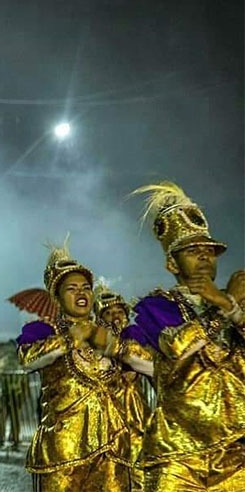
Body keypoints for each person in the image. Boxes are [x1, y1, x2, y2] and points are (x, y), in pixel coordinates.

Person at [131, 182, 245, 491]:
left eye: (210, 251)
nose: (205, 257)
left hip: (236, 452)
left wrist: (235, 312)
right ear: (172, 263)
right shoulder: (155, 306)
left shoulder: (236, 303)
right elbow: (177, 348)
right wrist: (223, 307)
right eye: (193, 251)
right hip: (177, 454)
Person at [16, 243, 131, 491]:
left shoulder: (108, 334)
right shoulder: (44, 332)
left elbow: (151, 365)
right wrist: (71, 338)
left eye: (86, 288)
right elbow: (27, 361)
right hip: (63, 453)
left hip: (112, 449)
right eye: (72, 288)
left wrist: (112, 344)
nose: (81, 293)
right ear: (56, 298)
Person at [94, 284, 151, 491]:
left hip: (133, 411)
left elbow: (150, 365)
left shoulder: (134, 338)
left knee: (139, 463)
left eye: (119, 311)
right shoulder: (94, 341)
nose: (115, 316)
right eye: (108, 313)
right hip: (105, 414)